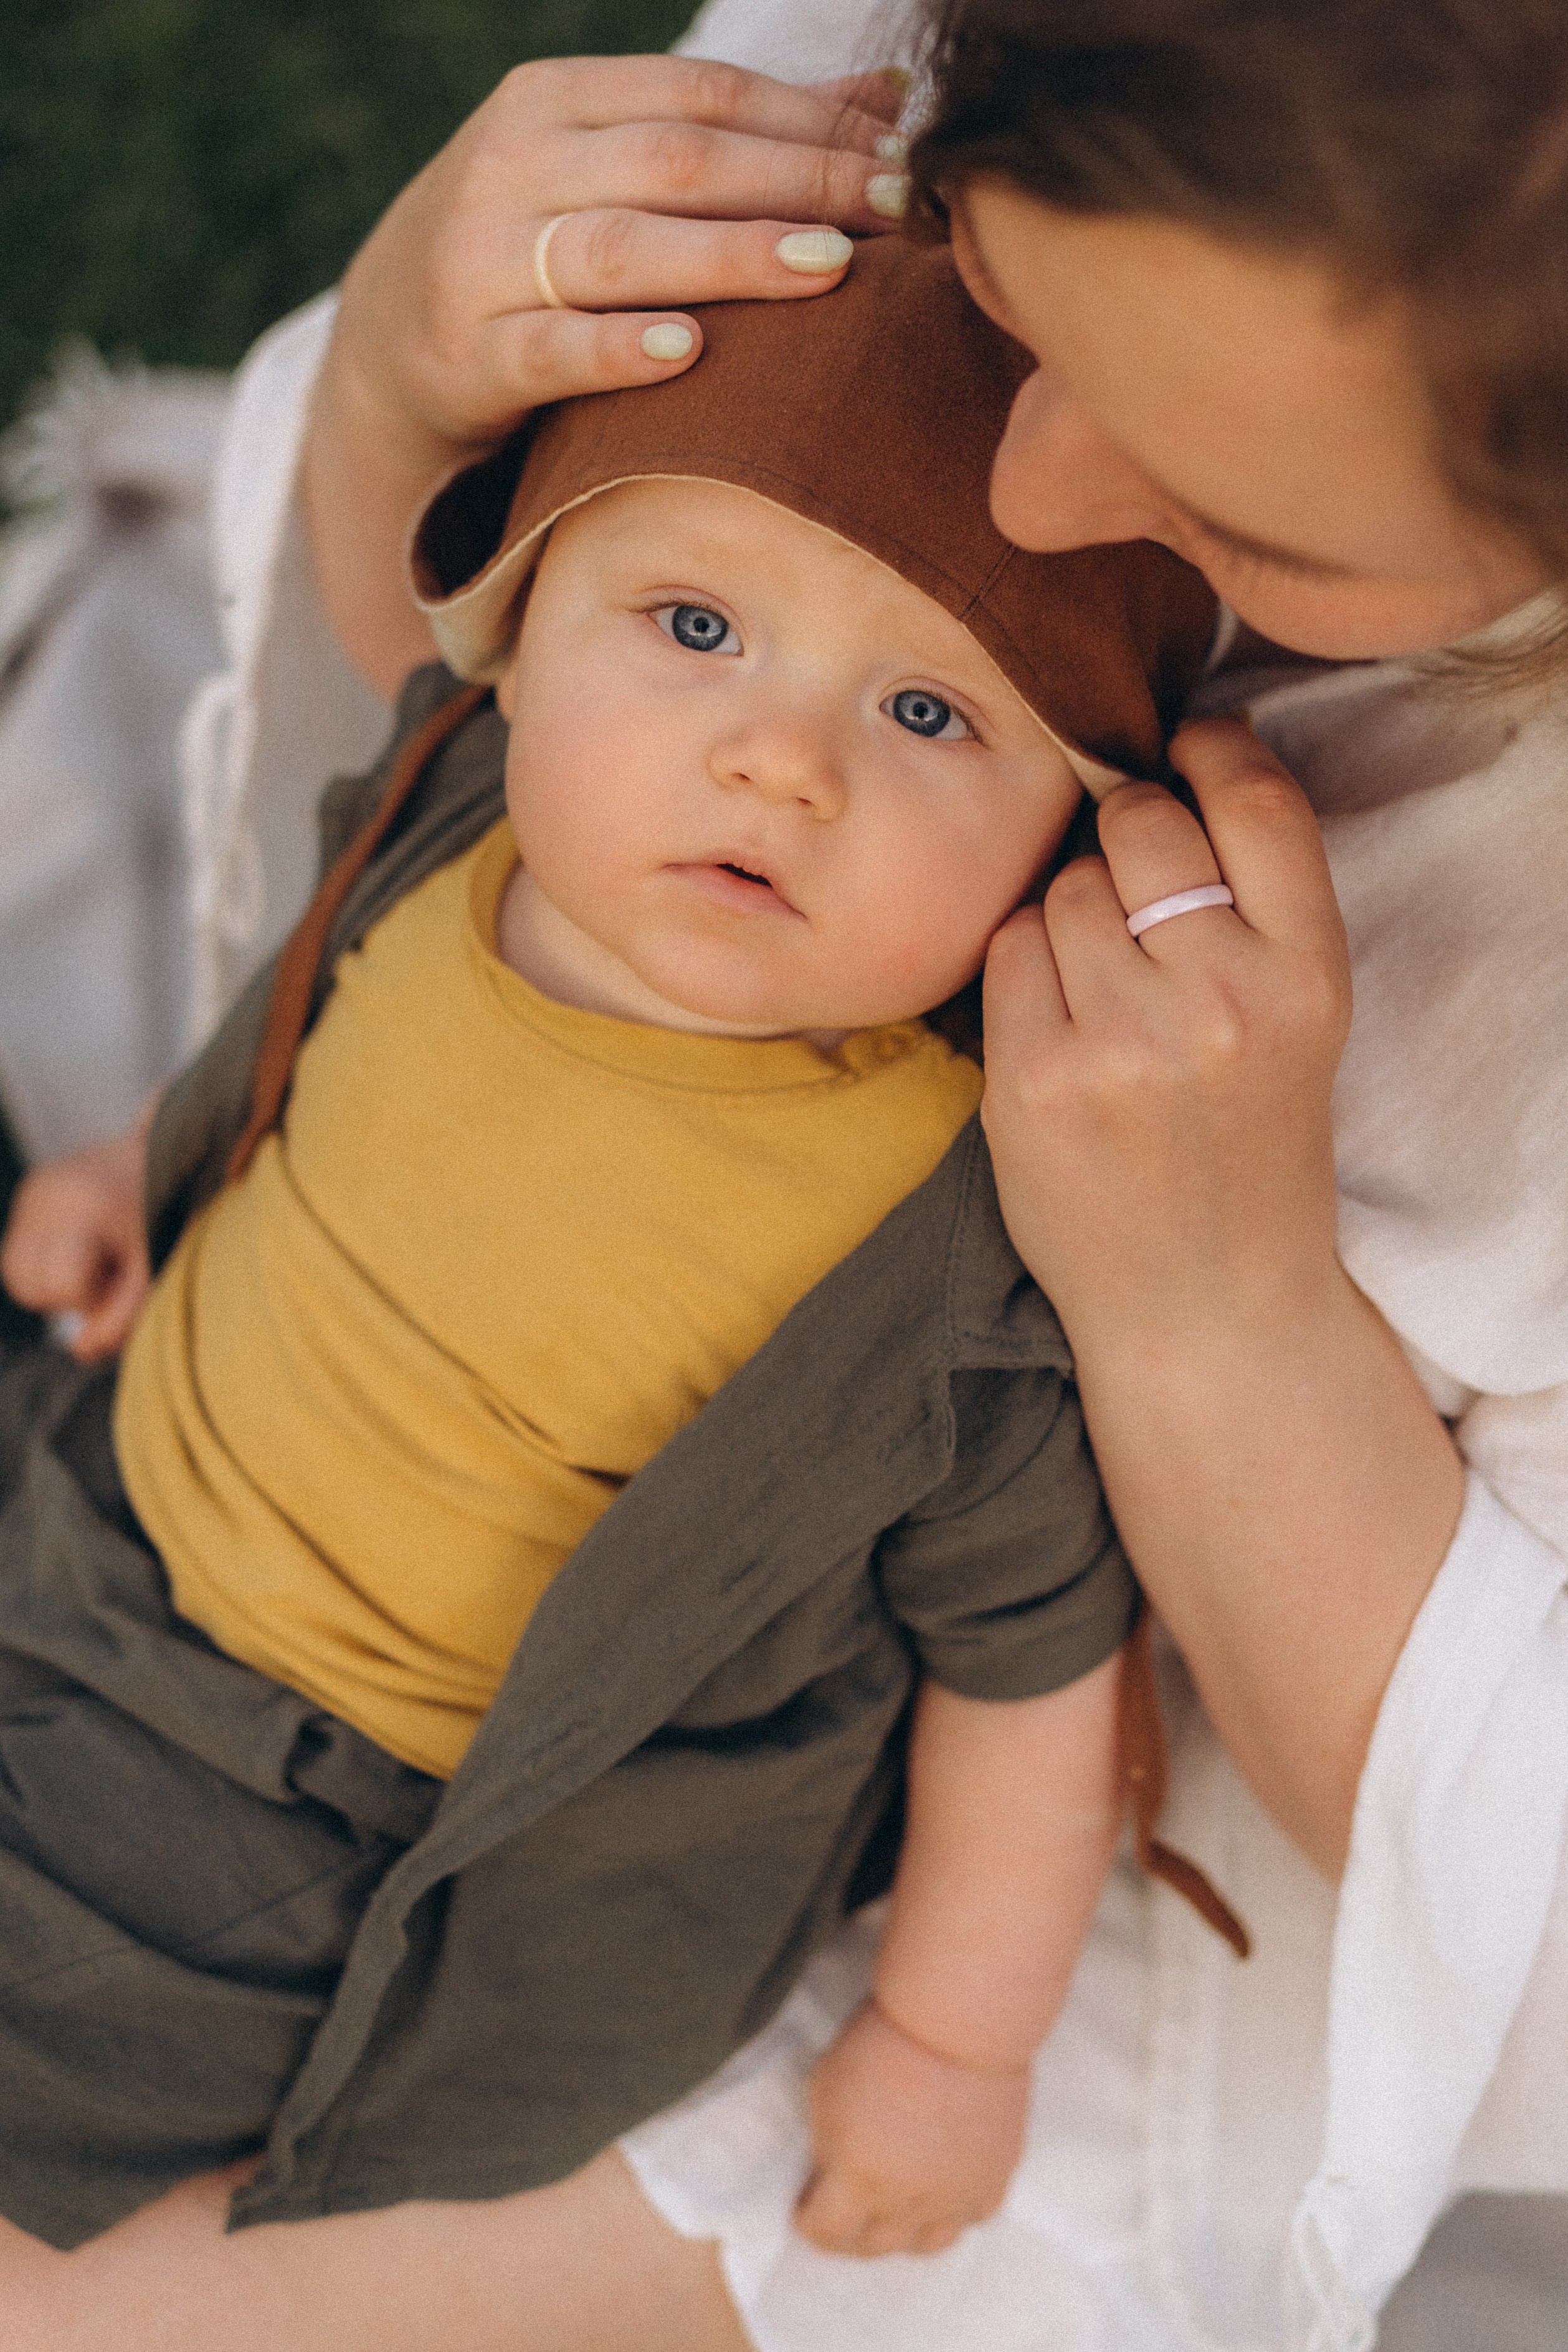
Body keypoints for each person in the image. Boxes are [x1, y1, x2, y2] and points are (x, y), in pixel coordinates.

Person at [1, 4, 1564, 2348]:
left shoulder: (932, 1262)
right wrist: (399, 397)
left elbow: (1057, 1690)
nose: (1023, 490)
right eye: (1017, 303)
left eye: (1246, 520)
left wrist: (1207, 1303)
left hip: (505, 1832)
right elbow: (363, 893)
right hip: (115, 1549)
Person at [0, 235, 1227, 2270]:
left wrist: (951, 2044)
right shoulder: (464, 806)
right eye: (692, 620)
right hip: (93, 1479)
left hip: (310, 1806)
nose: (781, 756)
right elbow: (313, 1045)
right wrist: (139, 1166)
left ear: (1065, 836)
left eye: (931, 708)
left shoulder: (942, 1244)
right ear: (526, 613)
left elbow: (1030, 1679)